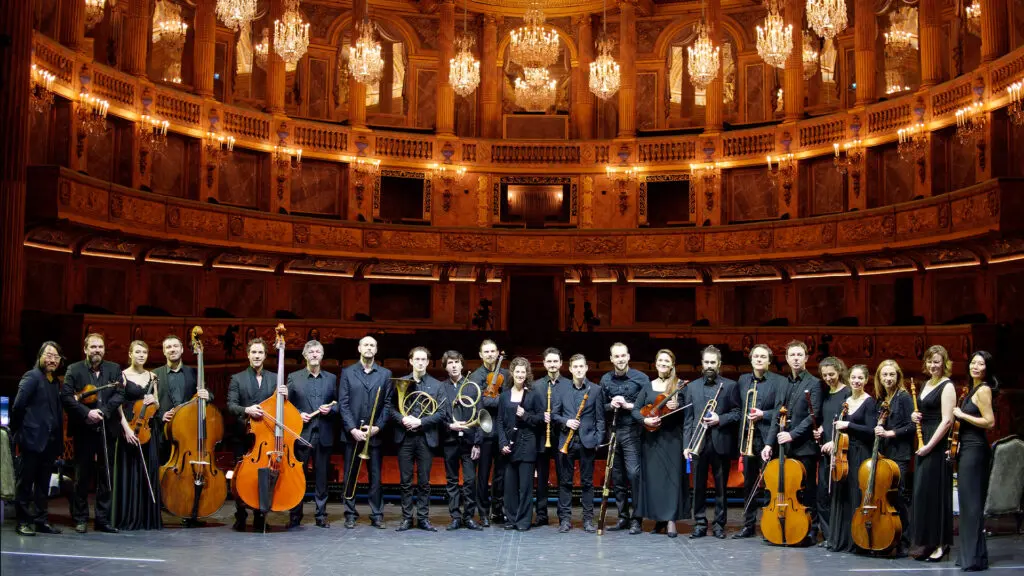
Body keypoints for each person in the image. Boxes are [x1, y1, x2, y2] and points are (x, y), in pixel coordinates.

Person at [60, 333, 131, 534]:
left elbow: (120, 394)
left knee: (105, 476)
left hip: (107, 429)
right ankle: (81, 518)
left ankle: (102, 519)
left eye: (100, 346)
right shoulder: (74, 369)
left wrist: (105, 412)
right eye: (93, 347)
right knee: (82, 476)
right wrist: (87, 413)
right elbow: (66, 397)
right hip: (84, 429)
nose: (97, 350)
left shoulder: (114, 368)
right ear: (85, 349)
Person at [762, 340, 824, 544]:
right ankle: (789, 525)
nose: (796, 358)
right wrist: (769, 443)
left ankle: (810, 528)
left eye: (800, 355)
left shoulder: (814, 383)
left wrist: (793, 434)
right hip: (783, 445)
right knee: (786, 488)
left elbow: (812, 415)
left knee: (806, 489)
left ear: (806, 358)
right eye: (792, 355)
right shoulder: (783, 383)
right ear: (787, 359)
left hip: (804, 445)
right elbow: (776, 417)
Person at [683, 345, 741, 539]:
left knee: (721, 488)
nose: (709, 365)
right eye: (706, 362)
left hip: (720, 442)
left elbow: (737, 413)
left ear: (719, 364)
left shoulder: (730, 386)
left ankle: (719, 524)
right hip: (697, 443)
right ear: (702, 364)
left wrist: (720, 419)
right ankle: (699, 523)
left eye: (713, 362)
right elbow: (688, 420)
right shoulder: (691, 387)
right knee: (698, 487)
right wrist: (686, 445)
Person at [226, 337, 283, 532]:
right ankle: (240, 515)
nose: (257, 356)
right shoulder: (237, 378)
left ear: (265, 356)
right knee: (241, 478)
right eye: (253, 352)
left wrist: (284, 395)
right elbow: (231, 405)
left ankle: (260, 515)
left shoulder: (275, 378)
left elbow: (281, 408)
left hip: (266, 437)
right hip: (243, 435)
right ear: (248, 355)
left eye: (260, 353)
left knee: (264, 477)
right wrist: (247, 410)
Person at [632, 349, 689, 537]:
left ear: (672, 364)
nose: (663, 364)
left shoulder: (679, 385)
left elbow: (689, 414)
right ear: (656, 364)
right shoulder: (648, 387)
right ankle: (659, 520)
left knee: (671, 481)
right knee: (655, 481)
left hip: (672, 438)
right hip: (652, 439)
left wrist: (678, 406)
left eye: (667, 361)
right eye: (660, 361)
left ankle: (671, 520)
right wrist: (645, 420)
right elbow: (635, 410)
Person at [338, 336, 392, 529]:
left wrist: (377, 427)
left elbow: (387, 404)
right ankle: (350, 513)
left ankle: (377, 514)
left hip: (374, 435)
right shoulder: (347, 372)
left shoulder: (385, 374)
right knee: (350, 476)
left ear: (376, 350)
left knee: (375, 477)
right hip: (353, 434)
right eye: (366, 345)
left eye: (372, 345)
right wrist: (352, 429)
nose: (369, 348)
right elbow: (343, 403)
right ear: (359, 348)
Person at [909, 345, 956, 561]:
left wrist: (929, 446)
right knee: (922, 493)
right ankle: (927, 541)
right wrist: (914, 416)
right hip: (924, 437)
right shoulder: (926, 383)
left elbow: (947, 421)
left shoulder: (948, 386)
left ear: (944, 363)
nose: (933, 365)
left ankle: (941, 543)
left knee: (936, 494)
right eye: (929, 361)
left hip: (936, 444)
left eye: (937, 361)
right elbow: (923, 411)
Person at [12, 342, 65, 536]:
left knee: (43, 485)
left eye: (56, 357)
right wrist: (20, 432)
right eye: (48, 355)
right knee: (25, 483)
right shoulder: (32, 376)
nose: (52, 360)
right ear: (40, 356)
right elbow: (18, 407)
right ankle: (23, 521)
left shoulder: (54, 381)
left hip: (49, 443)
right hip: (32, 439)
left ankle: (41, 520)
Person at [393, 346, 446, 532]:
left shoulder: (437, 385)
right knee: (405, 481)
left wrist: (420, 422)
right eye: (417, 359)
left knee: (424, 481)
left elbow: (441, 413)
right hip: (405, 437)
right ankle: (407, 518)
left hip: (425, 437)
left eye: (424, 359)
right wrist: (403, 419)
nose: (421, 363)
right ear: (411, 361)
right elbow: (390, 408)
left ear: (428, 362)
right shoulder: (401, 382)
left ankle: (423, 518)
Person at [952, 351, 997, 572]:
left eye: (981, 364)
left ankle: (974, 558)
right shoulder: (971, 390)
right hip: (967, 449)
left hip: (976, 451)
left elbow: (989, 422)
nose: (975, 366)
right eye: (973, 362)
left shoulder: (984, 390)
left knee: (972, 506)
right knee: (967, 505)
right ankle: (970, 556)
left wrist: (962, 415)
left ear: (987, 368)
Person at [286, 340, 338, 528]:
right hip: (301, 434)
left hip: (323, 434)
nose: (315, 354)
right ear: (305, 356)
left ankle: (321, 515)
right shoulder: (294, 377)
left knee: (322, 478)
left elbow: (338, 404)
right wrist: (298, 414)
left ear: (322, 355)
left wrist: (330, 410)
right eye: (311, 352)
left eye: (318, 351)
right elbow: (286, 406)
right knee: (297, 477)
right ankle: (295, 515)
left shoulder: (331, 378)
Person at [826, 364, 876, 553]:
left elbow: (871, 431)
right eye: (853, 378)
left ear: (866, 380)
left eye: (860, 378)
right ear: (849, 380)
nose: (856, 381)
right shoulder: (845, 401)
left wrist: (848, 424)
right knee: (842, 495)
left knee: (856, 495)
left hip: (860, 453)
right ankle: (841, 539)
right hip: (843, 454)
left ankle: (858, 540)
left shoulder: (869, 402)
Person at [113, 340, 162, 531]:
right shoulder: (123, 376)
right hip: (129, 428)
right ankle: (128, 516)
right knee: (129, 471)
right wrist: (125, 428)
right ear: (130, 354)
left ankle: (146, 518)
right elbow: (117, 404)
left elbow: (157, 405)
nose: (141, 355)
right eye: (138, 352)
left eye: (144, 352)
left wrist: (154, 401)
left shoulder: (153, 376)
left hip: (147, 429)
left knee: (146, 472)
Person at [600, 342, 648, 534]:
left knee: (634, 475)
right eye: (616, 356)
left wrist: (629, 405)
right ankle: (623, 517)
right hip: (613, 432)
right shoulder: (605, 379)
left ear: (628, 357)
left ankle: (637, 519)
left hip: (632, 432)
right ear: (611, 359)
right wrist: (611, 405)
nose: (620, 359)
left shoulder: (641, 378)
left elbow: (648, 406)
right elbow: (599, 407)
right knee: (617, 478)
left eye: (623, 356)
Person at [554, 354, 604, 533]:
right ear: (570, 369)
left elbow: (600, 419)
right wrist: (566, 422)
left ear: (586, 368)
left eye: (582, 366)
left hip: (587, 442)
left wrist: (598, 440)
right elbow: (554, 415)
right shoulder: (562, 390)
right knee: (565, 482)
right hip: (566, 440)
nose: (579, 370)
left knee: (588, 483)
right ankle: (565, 520)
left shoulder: (596, 390)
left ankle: (588, 520)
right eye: (575, 367)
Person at [733, 344, 779, 539]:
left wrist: (763, 414)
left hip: (768, 439)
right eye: (756, 356)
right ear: (751, 359)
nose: (759, 359)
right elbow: (738, 407)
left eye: (763, 357)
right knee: (749, 484)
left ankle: (770, 525)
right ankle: (748, 525)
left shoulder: (779, 382)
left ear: (769, 361)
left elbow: (780, 411)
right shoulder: (743, 380)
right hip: (748, 439)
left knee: (770, 484)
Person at [497, 357, 544, 531]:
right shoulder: (504, 396)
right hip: (509, 445)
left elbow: (540, 419)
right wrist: (502, 442)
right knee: (509, 487)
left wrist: (525, 415)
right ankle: (511, 518)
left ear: (527, 374)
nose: (520, 375)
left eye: (523, 372)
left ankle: (523, 521)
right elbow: (500, 422)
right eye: (517, 371)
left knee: (525, 487)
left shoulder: (533, 395)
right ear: (512, 373)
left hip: (527, 444)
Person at [438, 350, 482, 531]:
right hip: (450, 440)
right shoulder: (441, 388)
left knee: (470, 481)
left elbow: (481, 414)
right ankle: (455, 516)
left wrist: (478, 443)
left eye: (457, 362)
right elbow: (437, 415)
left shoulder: (472, 386)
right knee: (452, 481)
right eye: (450, 363)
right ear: (445, 367)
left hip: (470, 441)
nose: (454, 366)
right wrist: (450, 426)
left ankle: (469, 516)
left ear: (462, 365)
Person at [875, 358, 915, 554]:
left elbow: (912, 426)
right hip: (886, 453)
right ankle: (890, 536)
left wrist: (890, 433)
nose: (888, 378)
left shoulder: (904, 397)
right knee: (887, 497)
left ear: (898, 376)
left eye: (892, 374)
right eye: (885, 375)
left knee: (897, 496)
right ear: (879, 378)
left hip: (900, 454)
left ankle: (904, 539)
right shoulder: (882, 398)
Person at [468, 339, 510, 526]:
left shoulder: (506, 375)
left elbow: (509, 402)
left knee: (500, 475)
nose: (491, 354)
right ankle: (483, 513)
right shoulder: (476, 376)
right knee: (483, 475)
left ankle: (497, 511)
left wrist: (494, 399)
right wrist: (476, 441)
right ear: (480, 355)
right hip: (483, 431)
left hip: (501, 431)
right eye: (486, 351)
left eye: (493, 351)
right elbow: (478, 405)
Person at [154, 335, 209, 467]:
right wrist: (161, 415)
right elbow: (150, 404)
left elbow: (208, 393)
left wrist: (207, 394)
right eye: (168, 347)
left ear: (182, 349)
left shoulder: (193, 373)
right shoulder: (155, 374)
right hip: (165, 433)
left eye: (175, 346)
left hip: (189, 430)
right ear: (164, 351)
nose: (172, 349)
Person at [813, 356, 851, 547]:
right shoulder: (826, 393)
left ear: (840, 372)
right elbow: (827, 419)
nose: (828, 378)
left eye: (832, 374)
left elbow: (848, 424)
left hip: (841, 451)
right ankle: (829, 536)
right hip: (825, 452)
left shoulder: (848, 393)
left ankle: (840, 537)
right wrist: (820, 428)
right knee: (822, 496)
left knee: (838, 496)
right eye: (825, 375)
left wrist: (834, 442)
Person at [535, 347, 569, 526]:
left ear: (561, 363)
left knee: (563, 477)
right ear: (544, 363)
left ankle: (563, 516)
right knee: (541, 478)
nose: (553, 364)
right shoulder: (537, 385)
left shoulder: (569, 385)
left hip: (562, 436)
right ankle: (541, 515)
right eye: (549, 361)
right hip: (542, 436)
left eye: (556, 361)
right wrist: (542, 416)